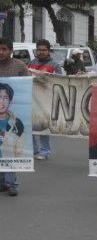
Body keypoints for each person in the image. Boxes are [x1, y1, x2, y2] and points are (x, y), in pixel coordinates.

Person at [0, 37, 30, 196]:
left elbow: (27, 86)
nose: (1, 52)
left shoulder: (19, 66)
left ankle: (12, 183)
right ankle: (2, 182)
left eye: (4, 49)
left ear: (11, 51)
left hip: (13, 115)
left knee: (9, 149)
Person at [28, 39, 62, 160]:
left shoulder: (55, 65)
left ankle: (45, 151)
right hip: (32, 99)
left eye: (44, 50)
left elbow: (60, 82)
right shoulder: (31, 63)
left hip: (47, 100)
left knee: (44, 126)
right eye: (39, 50)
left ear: (48, 51)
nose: (41, 52)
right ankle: (34, 148)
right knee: (30, 125)